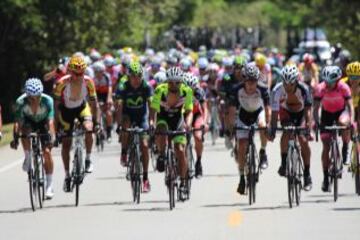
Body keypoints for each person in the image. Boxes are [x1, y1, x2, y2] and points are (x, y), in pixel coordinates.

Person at [54, 55, 100, 192]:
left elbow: (94, 103)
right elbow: (55, 107)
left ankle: (88, 159)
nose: (79, 76)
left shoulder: (88, 82)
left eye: (82, 73)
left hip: (81, 107)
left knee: (88, 127)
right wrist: (56, 128)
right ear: (69, 71)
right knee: (66, 143)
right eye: (76, 73)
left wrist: (96, 122)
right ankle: (67, 175)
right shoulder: (61, 83)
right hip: (66, 111)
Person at [150, 67, 193, 201]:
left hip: (178, 120)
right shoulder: (159, 91)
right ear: (167, 82)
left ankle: (183, 183)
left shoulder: (187, 91)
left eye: (177, 83)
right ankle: (162, 155)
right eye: (171, 83)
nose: (174, 86)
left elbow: (189, 111)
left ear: (181, 83)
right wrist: (152, 123)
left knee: (180, 150)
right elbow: (153, 111)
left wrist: (188, 124)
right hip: (163, 118)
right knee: (161, 129)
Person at [269, 65, 313, 191]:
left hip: (301, 113)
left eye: (291, 84)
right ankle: (283, 163)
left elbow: (308, 112)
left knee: (303, 140)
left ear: (296, 81)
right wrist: (272, 129)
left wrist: (308, 128)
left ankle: (307, 174)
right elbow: (274, 113)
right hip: (286, 112)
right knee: (286, 133)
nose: (288, 87)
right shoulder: (277, 90)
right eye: (285, 84)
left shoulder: (304, 89)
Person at [228, 64, 270, 195]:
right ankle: (241, 178)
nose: (252, 84)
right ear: (244, 80)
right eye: (249, 81)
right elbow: (232, 111)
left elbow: (268, 109)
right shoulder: (236, 90)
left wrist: (268, 125)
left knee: (263, 125)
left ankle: (263, 152)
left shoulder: (263, 89)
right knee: (241, 145)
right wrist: (232, 127)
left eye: (254, 81)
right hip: (244, 115)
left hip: (258, 112)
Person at [10, 78, 56, 199]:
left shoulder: (48, 101)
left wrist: (52, 137)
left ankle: (49, 185)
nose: (34, 100)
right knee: (25, 130)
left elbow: (51, 122)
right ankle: (28, 155)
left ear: (41, 94)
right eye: (31, 97)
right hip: (28, 122)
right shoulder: (20, 102)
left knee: (47, 152)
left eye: (37, 97)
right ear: (27, 95)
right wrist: (15, 138)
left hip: (43, 123)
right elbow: (18, 123)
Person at [313, 66, 354, 192]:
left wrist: (351, 121)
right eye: (326, 81)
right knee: (326, 146)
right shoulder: (320, 88)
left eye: (330, 82)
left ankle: (346, 147)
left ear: (337, 80)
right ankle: (326, 178)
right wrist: (317, 122)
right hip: (326, 114)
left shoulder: (343, 87)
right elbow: (315, 108)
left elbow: (350, 106)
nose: (328, 84)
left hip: (341, 112)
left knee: (344, 123)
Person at [115, 61, 153, 193]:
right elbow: (119, 107)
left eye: (139, 76)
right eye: (133, 76)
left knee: (144, 145)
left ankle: (146, 179)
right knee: (125, 125)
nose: (136, 79)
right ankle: (124, 152)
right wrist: (119, 125)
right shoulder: (123, 86)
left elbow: (151, 106)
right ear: (128, 76)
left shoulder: (146, 86)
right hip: (127, 115)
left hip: (141, 116)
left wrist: (152, 122)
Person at [184, 73, 208, 178]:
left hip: (196, 115)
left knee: (198, 137)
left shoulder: (199, 92)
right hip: (183, 115)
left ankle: (198, 162)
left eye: (192, 88)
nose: (190, 90)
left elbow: (205, 109)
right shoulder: (180, 92)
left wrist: (205, 122)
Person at [92, 61, 114, 141]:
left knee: (108, 112)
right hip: (97, 94)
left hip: (105, 95)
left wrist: (109, 98)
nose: (98, 74)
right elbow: (92, 91)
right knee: (95, 108)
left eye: (100, 72)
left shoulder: (106, 77)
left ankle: (109, 132)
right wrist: (95, 101)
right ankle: (97, 124)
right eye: (96, 72)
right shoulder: (93, 78)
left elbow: (110, 89)